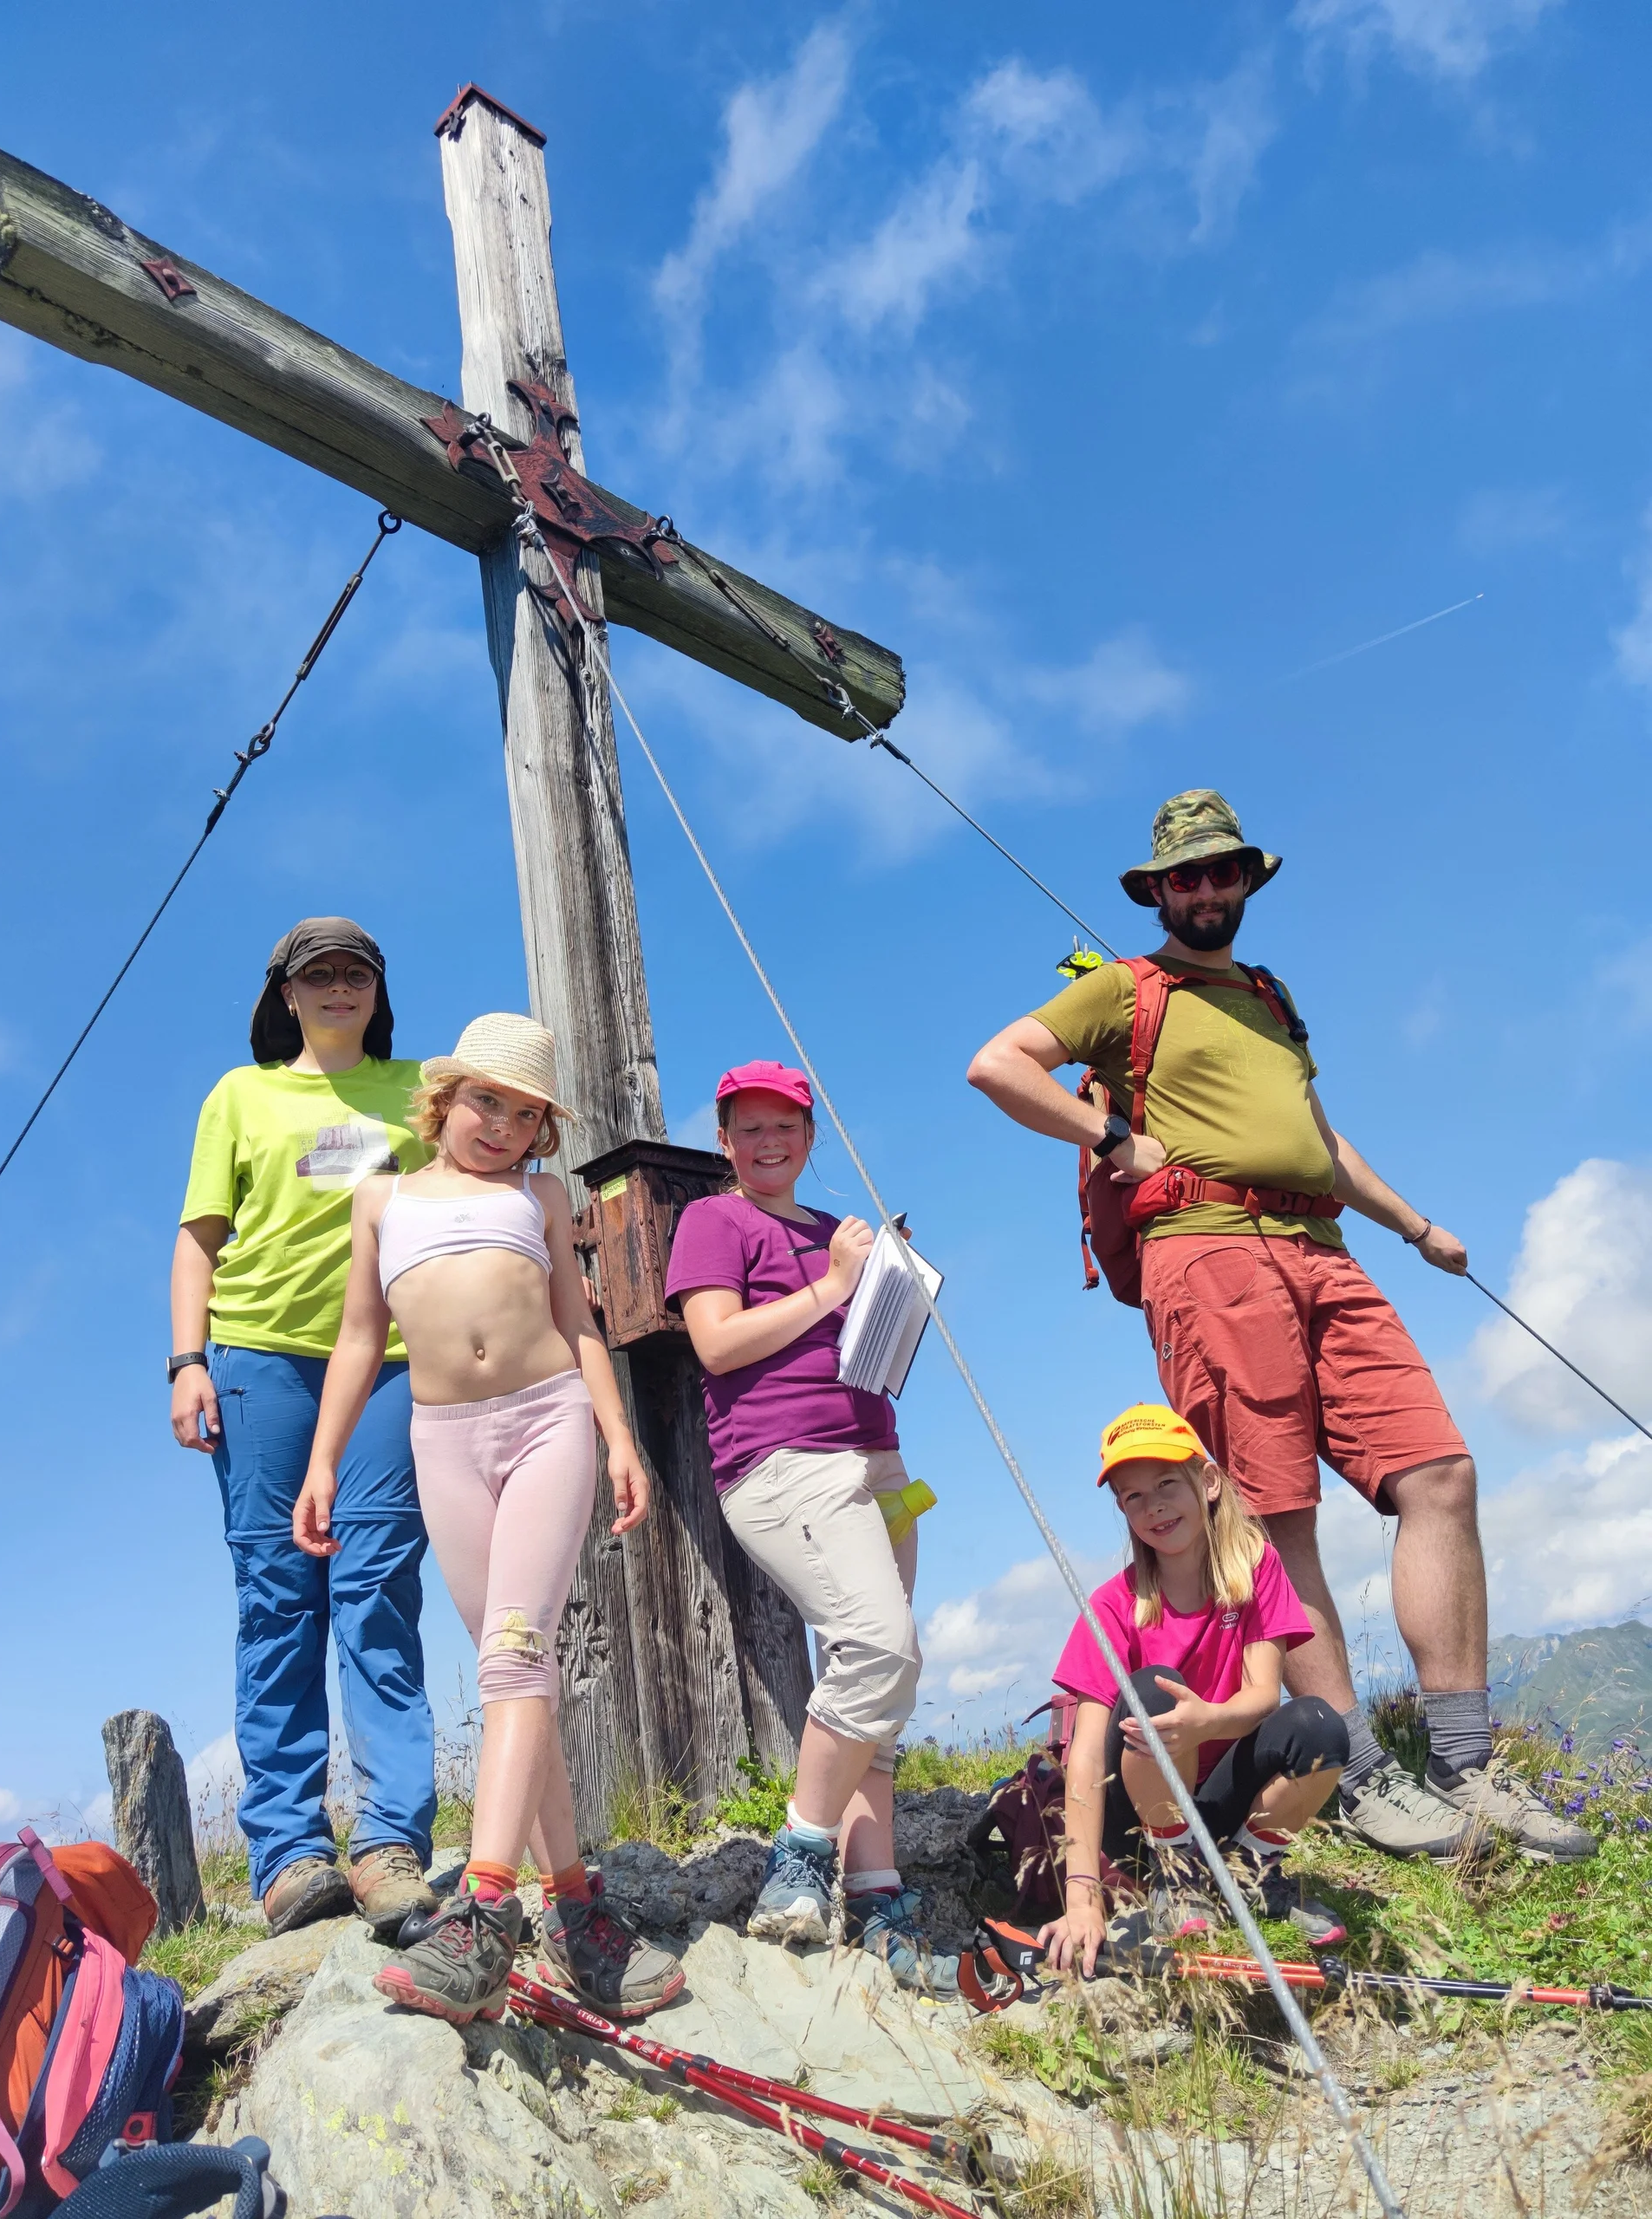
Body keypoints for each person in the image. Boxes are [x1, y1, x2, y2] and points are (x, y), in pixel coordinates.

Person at [969, 791, 1593, 1864]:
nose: (1206, 889)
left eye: (1222, 872)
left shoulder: (1270, 998)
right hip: (1207, 1252)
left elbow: (1316, 1137)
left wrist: (1415, 1225)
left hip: (1322, 1249)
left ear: (1246, 880)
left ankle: (1465, 1761)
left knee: (1438, 1472)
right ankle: (1350, 1769)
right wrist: (1113, 1136)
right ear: (1158, 890)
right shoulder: (1127, 990)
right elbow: (998, 1063)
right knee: (1276, 1508)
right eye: (1185, 876)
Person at [296, 1013, 685, 2025]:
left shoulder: (540, 1196)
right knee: (518, 1679)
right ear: (445, 1097)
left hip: (547, 1421)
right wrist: (324, 1461)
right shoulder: (381, 1200)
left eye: (524, 1114)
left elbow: (580, 1323)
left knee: (516, 1658)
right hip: (443, 1439)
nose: (503, 1126)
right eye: (487, 1102)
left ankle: (482, 1912)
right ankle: (579, 1915)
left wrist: (621, 1439)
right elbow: (355, 1337)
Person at [171, 918, 440, 1939]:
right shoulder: (239, 1096)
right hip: (258, 1361)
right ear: (283, 993)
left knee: (377, 1588)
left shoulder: (422, 1091)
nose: (337, 986)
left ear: (378, 991)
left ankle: (388, 1842)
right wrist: (187, 1360)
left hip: (393, 1369)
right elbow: (199, 1245)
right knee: (279, 1595)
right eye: (316, 973)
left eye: (356, 972)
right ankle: (289, 1853)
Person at [665, 1062, 951, 1994]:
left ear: (809, 1132)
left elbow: (872, 1346)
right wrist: (837, 1287)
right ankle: (801, 1856)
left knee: (878, 1682)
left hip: (879, 1461)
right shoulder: (715, 1220)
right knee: (879, 1644)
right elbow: (714, 1342)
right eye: (747, 1129)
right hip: (786, 1465)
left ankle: (875, 1893)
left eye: (782, 1125)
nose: (767, 1142)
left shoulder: (842, 1235)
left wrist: (889, 1289)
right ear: (724, 1141)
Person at [1039, 1404, 1348, 1968]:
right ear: (1122, 1511)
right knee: (1155, 1691)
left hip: (1221, 1802)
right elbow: (1084, 1755)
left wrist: (1206, 1722)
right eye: (1133, 1497)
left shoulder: (1256, 1568)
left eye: (1165, 1484)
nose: (1153, 1505)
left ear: (1207, 1482)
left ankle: (1248, 1875)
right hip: (1139, 1822)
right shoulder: (1112, 1605)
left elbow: (1263, 1696)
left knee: (1321, 1727)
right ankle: (1176, 1875)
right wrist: (1081, 1900)